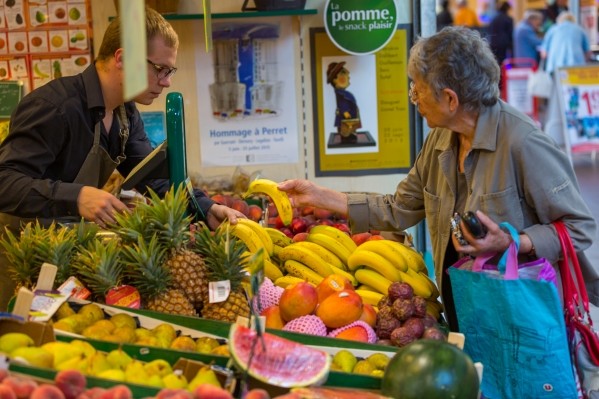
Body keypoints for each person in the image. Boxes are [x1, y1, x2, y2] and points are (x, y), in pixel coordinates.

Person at [278, 26, 598, 332]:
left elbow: (578, 227)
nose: (412, 96)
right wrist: (321, 196)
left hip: (521, 316)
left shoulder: (523, 142)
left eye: (417, 87)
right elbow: (400, 207)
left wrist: (514, 242)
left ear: (450, 99)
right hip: (465, 306)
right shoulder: (441, 139)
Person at [0, 7, 245, 311]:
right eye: (160, 69)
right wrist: (76, 197)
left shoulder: (125, 114)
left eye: (170, 72)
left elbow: (152, 176)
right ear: (122, 58)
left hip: (63, 258)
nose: (166, 81)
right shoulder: (54, 107)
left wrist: (206, 207)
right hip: (18, 266)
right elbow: (5, 182)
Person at [540, 11, 591, 145]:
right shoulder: (579, 29)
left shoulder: (553, 29)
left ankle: (556, 129)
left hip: (556, 68)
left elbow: (544, 53)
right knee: (574, 98)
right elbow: (588, 52)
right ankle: (574, 128)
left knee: (557, 99)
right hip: (575, 68)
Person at [327, 61, 361, 143]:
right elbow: (342, 103)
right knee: (346, 128)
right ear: (335, 80)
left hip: (351, 116)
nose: (348, 76)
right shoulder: (340, 94)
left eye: (346, 74)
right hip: (347, 118)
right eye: (343, 74)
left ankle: (350, 135)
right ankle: (347, 137)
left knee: (350, 128)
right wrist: (345, 112)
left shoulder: (342, 93)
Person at [488, 1, 514, 69]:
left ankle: (497, 78)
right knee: (503, 63)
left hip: (493, 42)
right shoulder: (508, 19)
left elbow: (489, 30)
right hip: (503, 44)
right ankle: (502, 78)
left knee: (495, 62)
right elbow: (510, 33)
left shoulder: (493, 18)